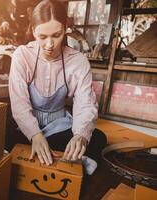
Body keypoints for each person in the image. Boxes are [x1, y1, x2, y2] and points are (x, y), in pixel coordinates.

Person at [8, 0, 107, 167]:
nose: (49, 45)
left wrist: (79, 136)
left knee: (97, 138)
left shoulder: (78, 61)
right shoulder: (23, 55)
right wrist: (35, 135)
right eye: (42, 37)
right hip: (26, 128)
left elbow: (86, 103)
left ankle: (45, 153)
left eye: (56, 35)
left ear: (65, 29)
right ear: (33, 31)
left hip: (59, 127)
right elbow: (19, 103)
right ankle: (54, 153)